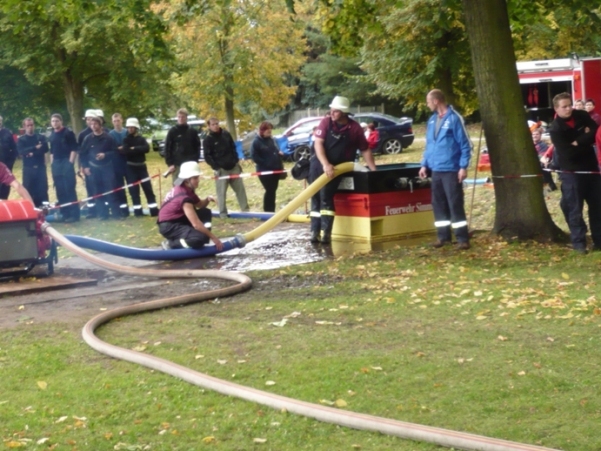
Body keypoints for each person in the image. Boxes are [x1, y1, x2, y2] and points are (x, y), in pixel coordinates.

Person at [310, 95, 376, 244]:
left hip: (338, 169)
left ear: (344, 112)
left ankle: (326, 234)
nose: (332, 113)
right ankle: (314, 233)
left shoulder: (355, 128)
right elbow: (318, 144)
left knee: (326, 197)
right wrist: (326, 164)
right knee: (315, 197)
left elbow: (365, 149)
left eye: (336, 111)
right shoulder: (326, 123)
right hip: (318, 165)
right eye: (331, 110)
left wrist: (373, 171)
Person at [419, 89, 473, 250]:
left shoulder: (454, 118)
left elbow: (465, 144)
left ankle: (462, 238)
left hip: (451, 169)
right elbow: (430, 145)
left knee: (454, 203)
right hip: (436, 169)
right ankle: (443, 237)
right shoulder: (432, 120)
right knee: (438, 203)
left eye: (428, 101)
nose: (427, 104)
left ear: (436, 101)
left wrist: (463, 167)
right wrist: (424, 164)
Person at [549, 92, 601, 253]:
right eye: (564, 107)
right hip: (571, 172)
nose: (568, 109)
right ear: (556, 109)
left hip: (591, 169)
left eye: (569, 105)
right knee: (574, 209)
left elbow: (595, 131)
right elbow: (567, 154)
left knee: (597, 206)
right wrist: (585, 139)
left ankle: (599, 241)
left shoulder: (582, 115)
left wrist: (578, 141)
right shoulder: (555, 129)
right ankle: (579, 243)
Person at [157, 161, 223, 250]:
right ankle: (171, 244)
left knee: (205, 212)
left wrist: (208, 199)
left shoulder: (186, 189)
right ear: (187, 180)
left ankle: (200, 238)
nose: (198, 180)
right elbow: (196, 224)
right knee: (198, 239)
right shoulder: (184, 197)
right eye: (195, 178)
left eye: (197, 177)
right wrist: (214, 238)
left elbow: (200, 205)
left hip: (176, 220)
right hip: (169, 226)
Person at [203, 117, 249, 218]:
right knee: (221, 193)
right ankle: (223, 213)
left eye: (217, 123)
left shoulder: (226, 134)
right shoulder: (207, 140)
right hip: (221, 170)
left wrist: (236, 160)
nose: (215, 126)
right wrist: (216, 167)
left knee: (240, 190)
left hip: (233, 166)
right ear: (209, 126)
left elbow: (233, 147)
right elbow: (207, 156)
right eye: (213, 124)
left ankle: (246, 211)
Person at [79, 114, 120, 220]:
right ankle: (102, 214)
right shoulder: (88, 138)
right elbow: (82, 154)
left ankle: (116, 214)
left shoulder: (109, 137)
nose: (93, 126)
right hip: (93, 169)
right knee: (97, 191)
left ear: (100, 125)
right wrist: (85, 167)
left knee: (111, 190)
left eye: (95, 124)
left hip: (107, 168)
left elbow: (115, 152)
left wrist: (105, 155)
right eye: (91, 124)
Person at [122, 117, 159, 217]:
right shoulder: (126, 139)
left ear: (136, 128)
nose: (130, 129)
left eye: (132, 127)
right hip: (130, 168)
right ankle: (138, 212)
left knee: (148, 189)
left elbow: (146, 148)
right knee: (134, 191)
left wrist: (134, 148)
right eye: (128, 127)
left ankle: (154, 210)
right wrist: (138, 149)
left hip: (142, 168)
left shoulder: (141, 139)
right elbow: (126, 151)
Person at [49, 113, 80, 222]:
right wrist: (52, 164)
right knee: (60, 190)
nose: (55, 123)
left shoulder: (68, 133)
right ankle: (64, 214)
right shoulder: (52, 135)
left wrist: (70, 163)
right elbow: (52, 151)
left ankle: (74, 215)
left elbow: (74, 149)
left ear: (61, 121)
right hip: (56, 164)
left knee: (69, 189)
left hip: (66, 162)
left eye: (57, 121)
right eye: (53, 121)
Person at [250, 121, 284, 212]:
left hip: (275, 170)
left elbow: (275, 150)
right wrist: (266, 163)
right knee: (269, 190)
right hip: (264, 171)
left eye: (270, 129)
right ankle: (268, 211)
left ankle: (271, 210)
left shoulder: (272, 140)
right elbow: (254, 156)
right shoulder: (256, 142)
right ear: (262, 130)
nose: (270, 131)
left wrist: (279, 154)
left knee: (273, 191)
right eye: (267, 129)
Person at [16, 118, 49, 207]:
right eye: (28, 125)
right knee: (28, 190)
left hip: (40, 167)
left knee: (42, 189)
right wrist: (35, 148)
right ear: (24, 126)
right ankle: (31, 209)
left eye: (31, 125)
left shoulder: (40, 137)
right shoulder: (21, 140)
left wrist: (32, 153)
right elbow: (21, 152)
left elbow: (45, 149)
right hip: (28, 169)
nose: (30, 127)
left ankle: (44, 209)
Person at [164, 108, 201, 181]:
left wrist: (195, 160)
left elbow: (197, 146)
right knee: (178, 185)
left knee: (190, 185)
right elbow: (167, 148)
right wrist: (170, 164)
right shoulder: (172, 131)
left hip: (190, 164)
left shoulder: (192, 131)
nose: (181, 119)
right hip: (177, 164)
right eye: (179, 117)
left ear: (186, 117)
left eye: (183, 117)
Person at [109, 113, 131, 217]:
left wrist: (124, 148)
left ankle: (137, 209)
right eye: (114, 121)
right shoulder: (110, 134)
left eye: (118, 120)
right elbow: (112, 148)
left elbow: (130, 145)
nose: (117, 123)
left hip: (128, 163)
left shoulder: (127, 132)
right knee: (120, 188)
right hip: (117, 164)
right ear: (112, 122)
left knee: (132, 187)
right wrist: (119, 149)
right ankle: (124, 210)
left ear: (122, 120)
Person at [0, 115, 18, 200]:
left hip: (6, 165)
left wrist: (10, 163)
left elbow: (14, 149)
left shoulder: (7, 133)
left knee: (5, 188)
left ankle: (4, 204)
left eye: (0, 121)